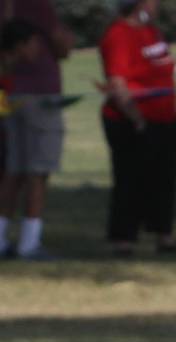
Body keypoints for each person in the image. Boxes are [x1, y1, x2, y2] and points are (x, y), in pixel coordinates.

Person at [99, 0, 176, 256]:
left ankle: (163, 234)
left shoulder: (151, 30)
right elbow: (117, 81)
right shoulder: (118, 34)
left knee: (164, 178)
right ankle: (124, 238)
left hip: (166, 118)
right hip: (132, 120)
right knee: (130, 179)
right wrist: (135, 117)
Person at [0, 0, 73, 260]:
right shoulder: (37, 4)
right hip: (39, 96)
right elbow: (62, 45)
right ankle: (29, 243)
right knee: (38, 172)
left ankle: (2, 237)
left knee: (13, 171)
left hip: (12, 96)